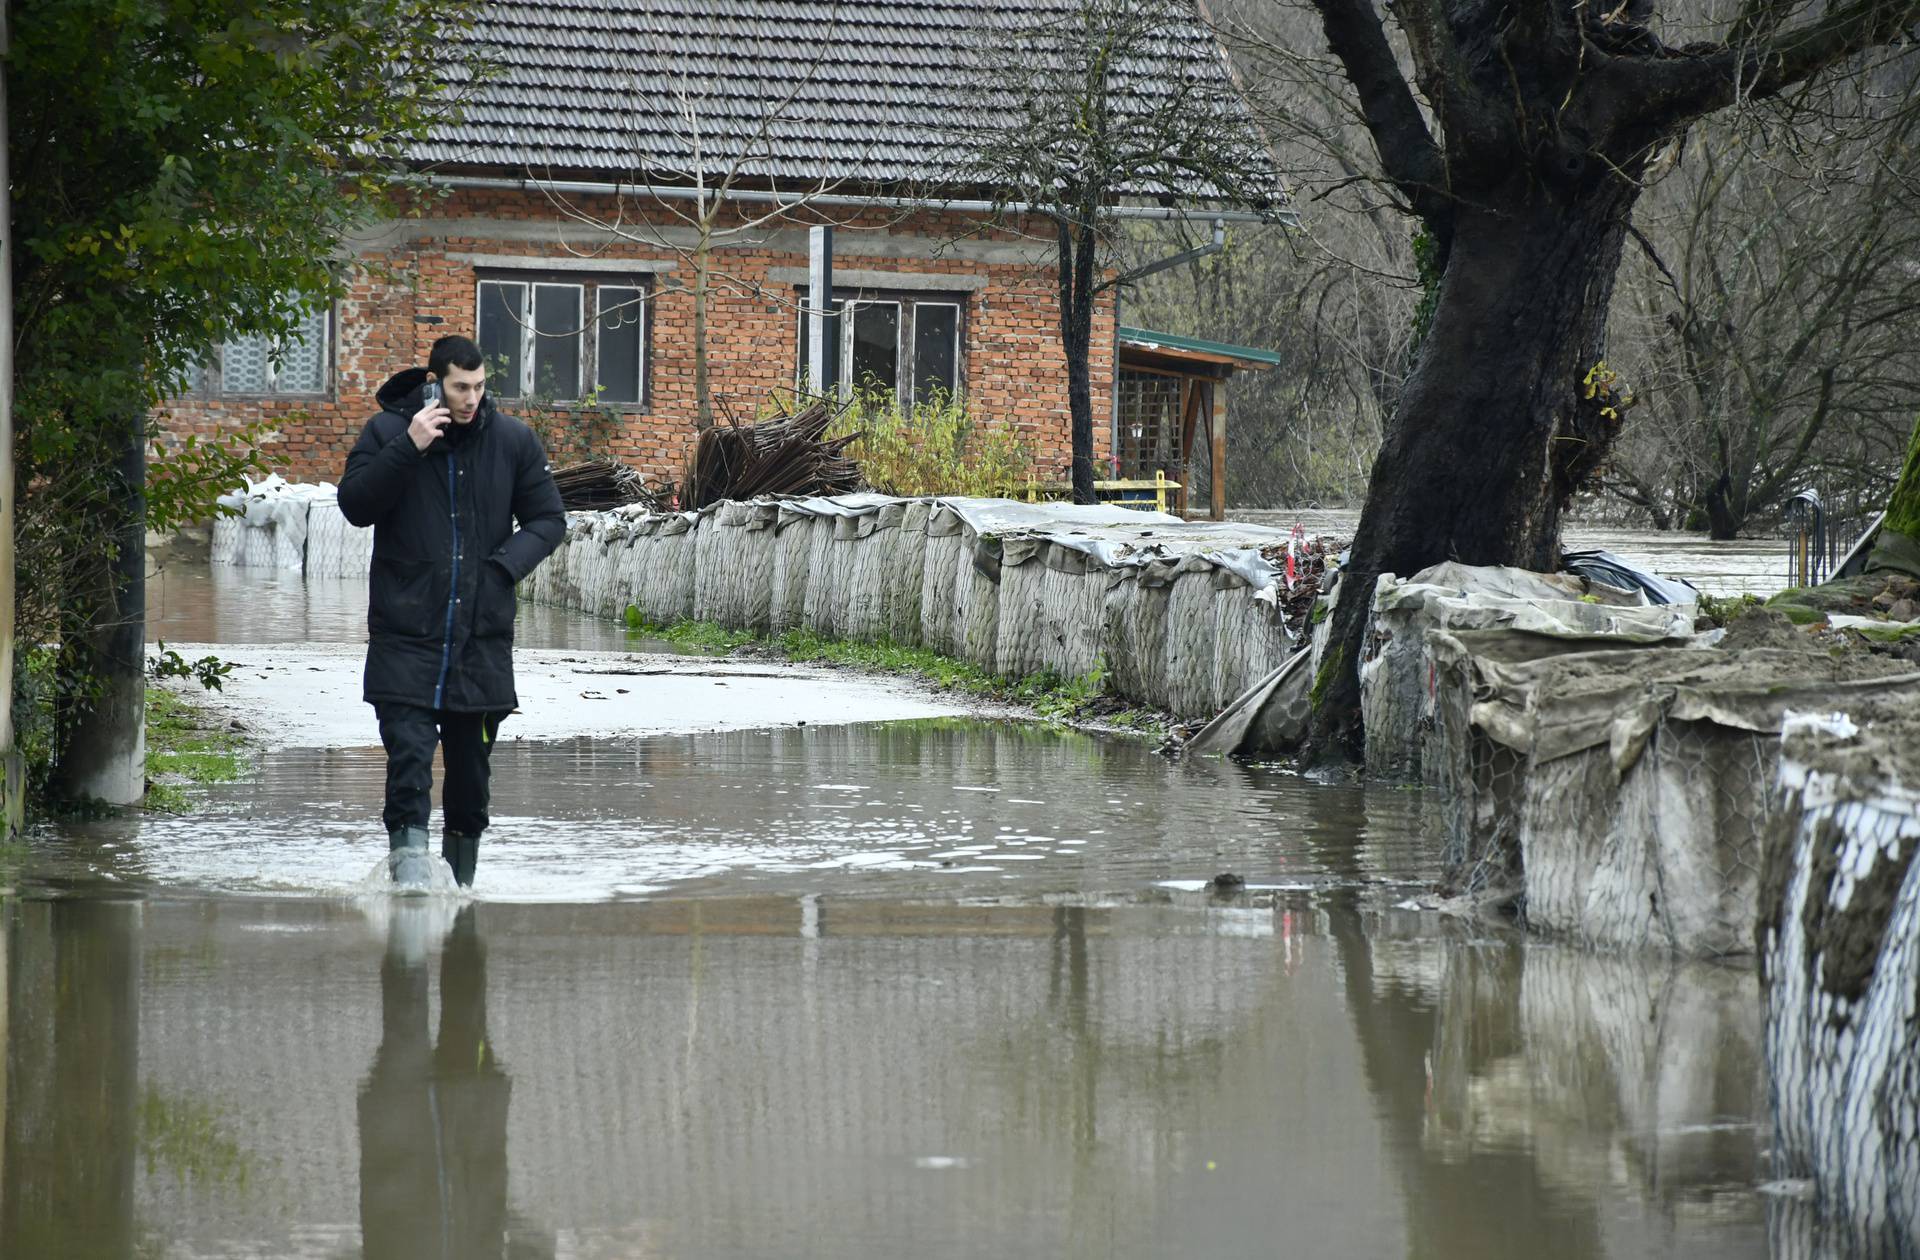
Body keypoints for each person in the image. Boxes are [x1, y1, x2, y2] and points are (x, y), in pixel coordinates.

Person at [338, 335, 564, 889]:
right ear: (435, 383)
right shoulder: (388, 431)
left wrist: (502, 569)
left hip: (479, 640)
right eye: (461, 387)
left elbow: (548, 521)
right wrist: (408, 447)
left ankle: (461, 899)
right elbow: (355, 505)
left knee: (469, 782)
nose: (471, 398)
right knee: (409, 763)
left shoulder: (512, 441)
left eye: (480, 386)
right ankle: (411, 892)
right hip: (404, 633)